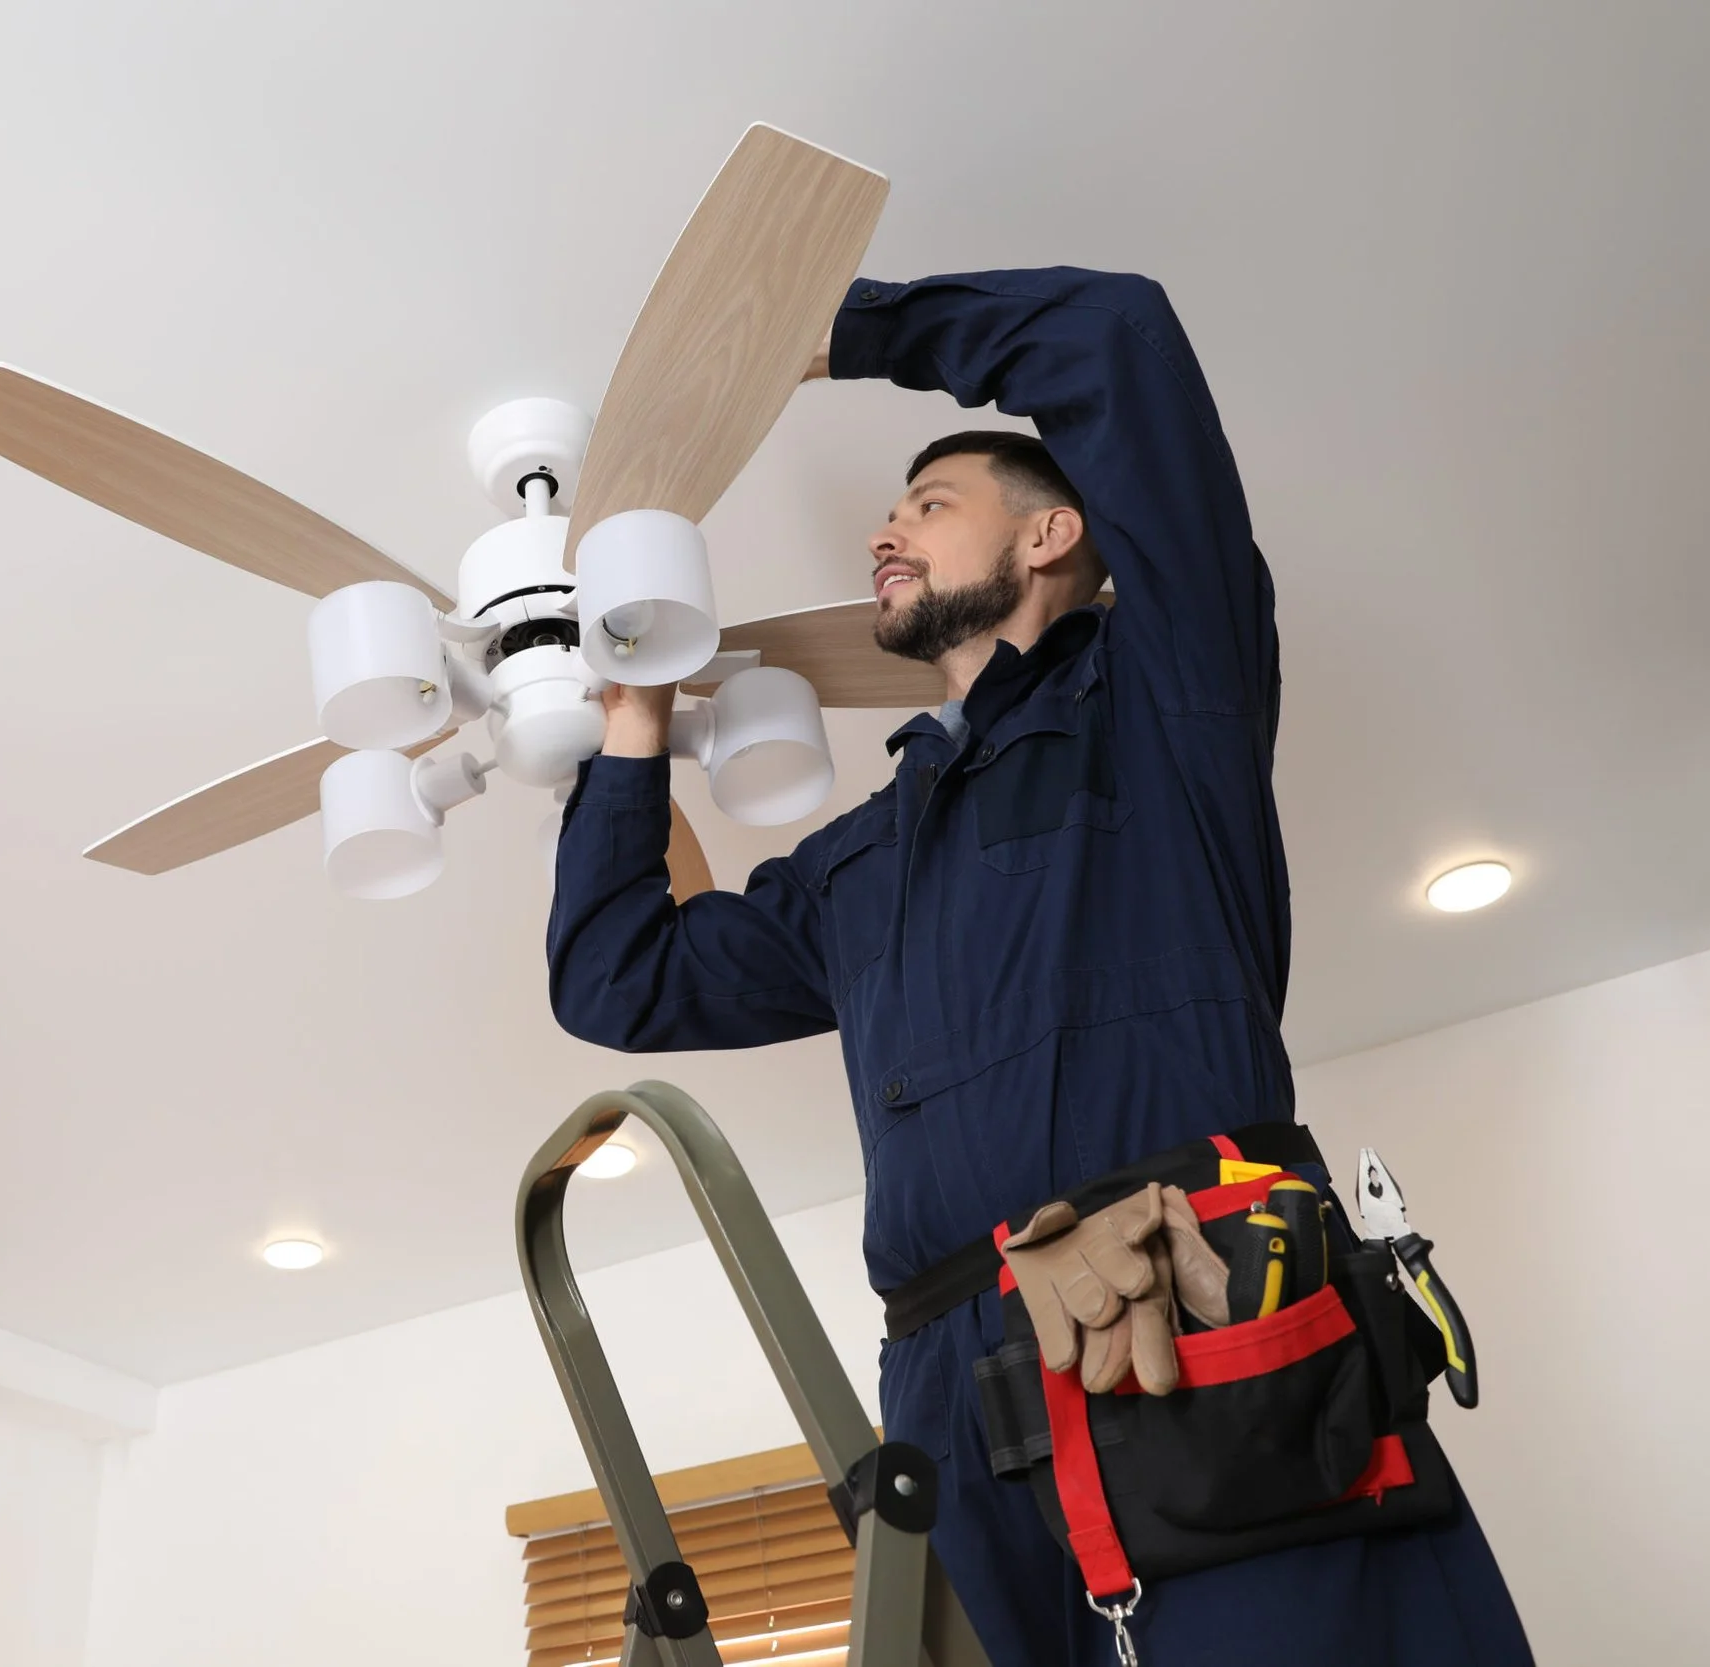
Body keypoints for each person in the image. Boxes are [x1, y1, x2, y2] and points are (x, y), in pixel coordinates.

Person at [546, 268, 1533, 1666]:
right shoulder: (861, 862)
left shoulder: (1161, 700)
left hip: (1182, 1294)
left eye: (927, 505)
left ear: (1057, 534)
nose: (884, 532)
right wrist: (631, 717)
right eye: (892, 515)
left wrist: (827, 332)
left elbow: (1116, 336)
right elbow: (617, 974)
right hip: (946, 1388)